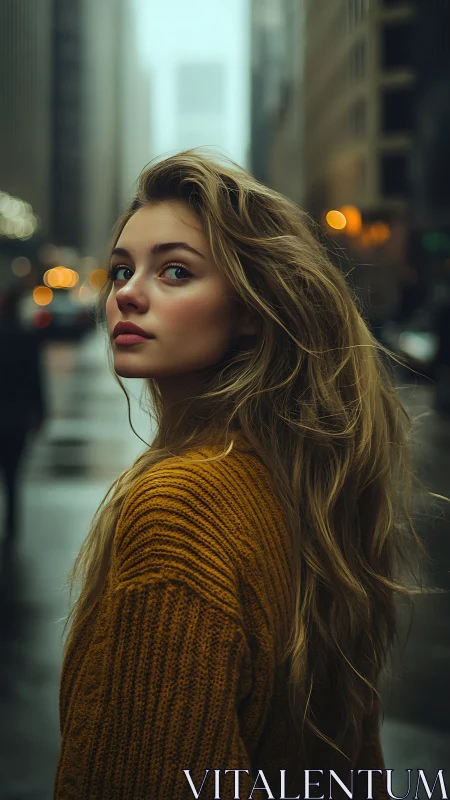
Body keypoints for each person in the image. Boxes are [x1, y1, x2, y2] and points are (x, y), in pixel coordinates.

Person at [53, 150, 443, 800]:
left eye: (174, 271)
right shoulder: (299, 484)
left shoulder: (180, 510)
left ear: (249, 310)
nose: (126, 291)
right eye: (122, 269)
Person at [0, 284, 47, 548]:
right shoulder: (26, 338)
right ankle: (12, 530)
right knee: (13, 476)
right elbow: (36, 380)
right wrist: (41, 412)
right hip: (17, 419)